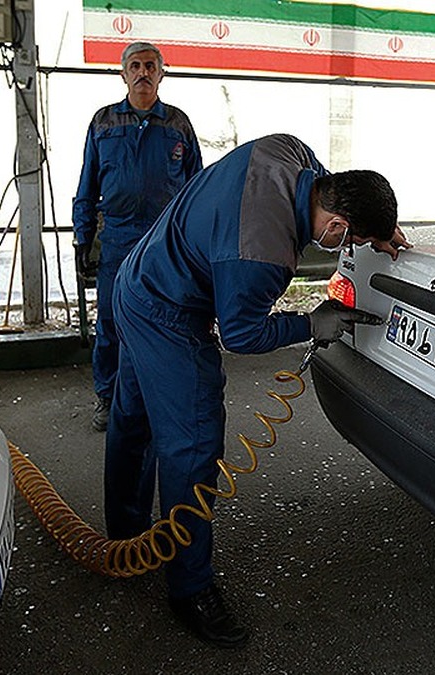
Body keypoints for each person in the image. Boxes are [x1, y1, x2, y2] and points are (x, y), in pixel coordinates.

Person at [104, 133, 410, 648]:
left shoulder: (288, 151)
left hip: (137, 278)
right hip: (170, 314)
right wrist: (314, 325)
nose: (348, 248)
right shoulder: (262, 254)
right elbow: (242, 334)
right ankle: (189, 588)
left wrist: (377, 228)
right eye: (353, 240)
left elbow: (339, 192)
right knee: (193, 446)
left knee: (133, 419)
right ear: (336, 224)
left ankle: (126, 539)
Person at [73, 41, 203, 432]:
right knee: (111, 323)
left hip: (165, 243)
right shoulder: (104, 122)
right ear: (124, 73)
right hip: (117, 239)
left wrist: (196, 243)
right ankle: (108, 398)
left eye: (150, 65)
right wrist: (83, 238)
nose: (143, 72)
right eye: (135, 65)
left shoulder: (178, 124)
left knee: (168, 320)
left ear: (162, 73)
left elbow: (197, 187)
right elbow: (87, 184)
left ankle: (160, 396)